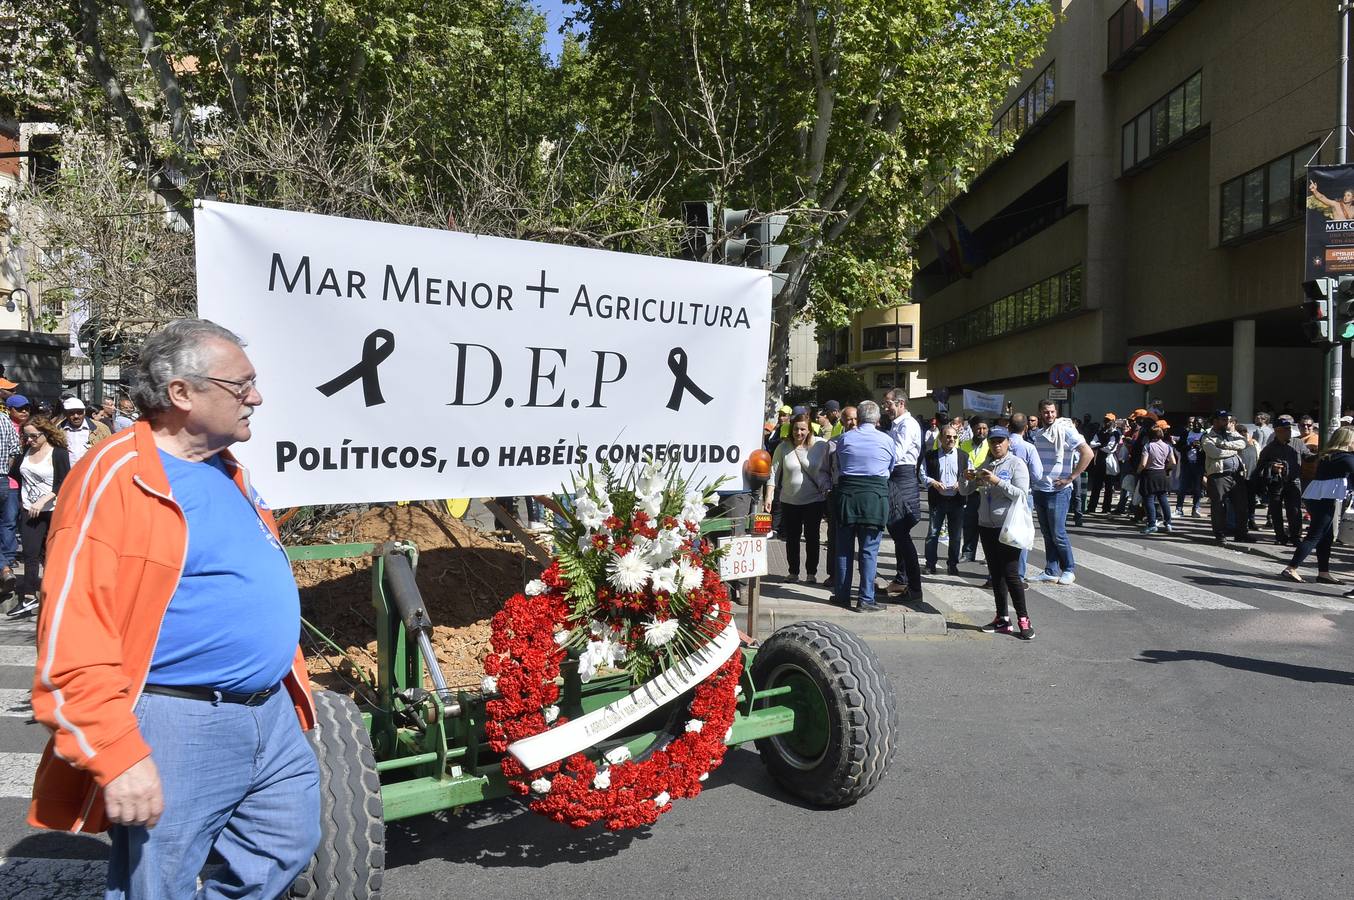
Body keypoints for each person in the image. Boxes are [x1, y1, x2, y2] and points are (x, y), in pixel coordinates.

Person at [27, 319, 320, 897]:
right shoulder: (116, 476)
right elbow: (71, 630)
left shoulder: (224, 469)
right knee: (158, 884)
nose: (256, 398)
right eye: (241, 386)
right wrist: (116, 753)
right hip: (179, 718)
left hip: (267, 713)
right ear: (182, 393)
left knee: (288, 840)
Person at [960, 427, 1034, 640]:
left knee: (1011, 574)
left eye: (1000, 441)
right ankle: (1002, 618)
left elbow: (1021, 495)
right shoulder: (986, 464)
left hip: (1007, 526)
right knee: (996, 574)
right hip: (986, 525)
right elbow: (966, 491)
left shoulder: (1016, 464)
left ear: (1008, 442)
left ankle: (1024, 620)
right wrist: (967, 478)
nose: (997, 445)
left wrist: (998, 482)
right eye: (993, 442)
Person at [830, 400, 896, 611]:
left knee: (843, 549)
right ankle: (865, 599)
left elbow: (839, 464)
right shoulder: (886, 440)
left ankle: (841, 595)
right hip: (875, 498)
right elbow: (891, 467)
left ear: (858, 417)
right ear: (877, 419)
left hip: (847, 496)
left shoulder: (844, 438)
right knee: (869, 551)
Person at [5, 417, 71, 619]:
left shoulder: (58, 453)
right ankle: (28, 596)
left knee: (51, 555)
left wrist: (45, 499)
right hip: (29, 509)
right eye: (27, 436)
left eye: (34, 436)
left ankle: (53, 594)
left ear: (46, 433)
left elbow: (65, 480)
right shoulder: (27, 451)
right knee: (30, 553)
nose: (30, 440)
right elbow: (16, 474)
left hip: (52, 509)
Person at [1280, 426, 1354, 583]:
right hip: (1325, 498)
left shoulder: (1329, 455)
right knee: (1315, 535)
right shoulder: (1346, 458)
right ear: (1348, 440)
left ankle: (1323, 573)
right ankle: (1291, 568)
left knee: (1326, 537)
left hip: (1316, 497)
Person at [1030, 400, 1092, 585]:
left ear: (1056, 412)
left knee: (1058, 533)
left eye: (1052, 411)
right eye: (1045, 412)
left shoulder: (1066, 430)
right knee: (1047, 533)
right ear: (1040, 413)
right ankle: (1051, 570)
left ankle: (1069, 569)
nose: (1049, 415)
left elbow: (1087, 453)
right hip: (1040, 488)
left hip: (1059, 490)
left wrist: (1071, 477)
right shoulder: (1039, 434)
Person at [765, 414, 829, 584]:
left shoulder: (820, 445)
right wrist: (769, 495)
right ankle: (793, 572)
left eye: (802, 429)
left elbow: (829, 468)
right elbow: (773, 472)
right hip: (789, 500)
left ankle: (811, 573)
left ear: (809, 430)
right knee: (792, 538)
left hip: (814, 500)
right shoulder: (783, 447)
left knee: (812, 537)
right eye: (795, 428)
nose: (798, 432)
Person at [883, 389, 923, 601]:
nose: (886, 408)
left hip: (903, 476)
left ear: (900, 403)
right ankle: (903, 580)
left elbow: (897, 454)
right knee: (899, 533)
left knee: (902, 534)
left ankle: (914, 587)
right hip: (896, 478)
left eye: (888, 403)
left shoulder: (907, 425)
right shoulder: (896, 425)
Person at [1201, 409, 1252, 545]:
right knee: (1219, 506)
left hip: (1237, 475)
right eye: (1223, 420)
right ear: (1215, 421)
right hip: (1219, 476)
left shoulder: (1232, 433)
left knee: (1241, 505)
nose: (1227, 422)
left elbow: (1243, 443)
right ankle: (1220, 535)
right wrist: (1233, 451)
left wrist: (1224, 444)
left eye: (1227, 420)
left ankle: (1241, 533)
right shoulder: (1207, 436)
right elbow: (1214, 453)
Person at [922, 427, 967, 576]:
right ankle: (930, 564)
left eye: (954, 437)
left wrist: (961, 483)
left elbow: (971, 474)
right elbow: (921, 474)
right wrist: (933, 482)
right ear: (941, 438)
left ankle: (952, 565)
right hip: (937, 500)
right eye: (948, 437)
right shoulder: (930, 456)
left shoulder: (963, 456)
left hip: (957, 500)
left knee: (955, 536)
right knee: (933, 533)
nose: (951, 440)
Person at [822, 405, 858, 588]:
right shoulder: (833, 443)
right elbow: (824, 471)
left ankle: (864, 578)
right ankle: (833, 575)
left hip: (858, 493)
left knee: (860, 537)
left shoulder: (864, 442)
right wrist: (828, 489)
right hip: (836, 492)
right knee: (835, 536)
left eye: (855, 419)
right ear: (842, 421)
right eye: (848, 419)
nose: (852, 423)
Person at [1255, 415, 1305, 546]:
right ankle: (1280, 536)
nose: (1288, 431)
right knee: (1276, 511)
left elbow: (1308, 456)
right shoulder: (1269, 448)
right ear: (1277, 431)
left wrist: (1317, 454)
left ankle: (1296, 536)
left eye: (1289, 428)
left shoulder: (1298, 443)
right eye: (1285, 429)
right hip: (1276, 484)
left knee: (1294, 510)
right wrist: (1271, 467)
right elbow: (1259, 467)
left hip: (1294, 482)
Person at [1006, 413, 1044, 584]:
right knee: (1020, 535)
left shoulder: (1000, 444)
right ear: (1026, 428)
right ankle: (1018, 576)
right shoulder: (1029, 448)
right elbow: (1037, 474)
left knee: (999, 532)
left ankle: (996, 574)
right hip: (1022, 494)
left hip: (1001, 493)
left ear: (1008, 426)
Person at [957, 417, 990, 564]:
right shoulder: (964, 445)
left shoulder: (991, 445)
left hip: (986, 490)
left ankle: (988, 555)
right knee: (969, 522)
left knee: (986, 524)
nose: (981, 431)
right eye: (978, 428)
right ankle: (968, 553)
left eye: (984, 428)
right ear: (972, 429)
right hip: (969, 489)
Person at [1137, 426, 1177, 534]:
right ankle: (1168, 523)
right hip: (1162, 474)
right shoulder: (1168, 446)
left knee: (1149, 499)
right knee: (1163, 498)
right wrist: (1165, 467)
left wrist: (1138, 471)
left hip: (1149, 474)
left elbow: (1143, 463)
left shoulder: (1148, 446)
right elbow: (1173, 462)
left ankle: (1152, 524)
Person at [60, 397, 112, 466]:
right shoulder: (58, 430)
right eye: (71, 413)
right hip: (67, 474)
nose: (76, 416)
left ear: (84, 412)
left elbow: (110, 453)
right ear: (65, 413)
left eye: (79, 412)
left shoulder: (101, 429)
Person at [1086, 413, 1122, 514]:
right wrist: (1101, 445)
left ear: (1113, 422)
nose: (1106, 422)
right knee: (1096, 486)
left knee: (1108, 487)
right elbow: (1092, 444)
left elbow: (1110, 448)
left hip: (1109, 463)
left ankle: (1106, 508)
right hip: (1099, 462)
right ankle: (1091, 507)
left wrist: (1098, 446)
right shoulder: (1100, 432)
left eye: (1109, 421)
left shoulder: (1115, 433)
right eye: (1105, 420)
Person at [1177, 417, 1206, 516]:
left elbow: (1208, 451)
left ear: (1203, 424)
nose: (1196, 425)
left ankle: (1196, 509)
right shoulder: (1186, 433)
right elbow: (1179, 447)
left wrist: (1200, 448)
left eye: (1199, 423)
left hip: (1199, 465)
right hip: (1186, 464)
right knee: (1182, 487)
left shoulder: (1205, 435)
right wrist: (1190, 446)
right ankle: (1179, 508)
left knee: (1198, 488)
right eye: (1195, 423)